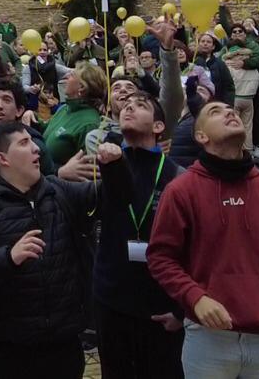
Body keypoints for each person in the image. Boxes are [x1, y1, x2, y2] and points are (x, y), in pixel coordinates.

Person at [147, 99, 259, 379]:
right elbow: (161, 257)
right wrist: (195, 297)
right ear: (201, 136)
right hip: (208, 336)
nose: (230, 112)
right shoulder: (181, 190)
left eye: (231, 110)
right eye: (216, 111)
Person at [0, 121, 102, 378]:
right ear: (2, 158)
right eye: (24, 143)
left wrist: (117, 163)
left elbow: (114, 198)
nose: (37, 150)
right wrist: (8, 257)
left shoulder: (58, 191)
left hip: (63, 350)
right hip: (5, 354)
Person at [93, 94, 185, 379]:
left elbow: (192, 244)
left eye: (141, 105)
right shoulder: (100, 168)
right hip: (112, 303)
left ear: (159, 127)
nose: (129, 107)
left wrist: (182, 311)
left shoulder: (177, 176)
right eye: (126, 105)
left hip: (160, 307)